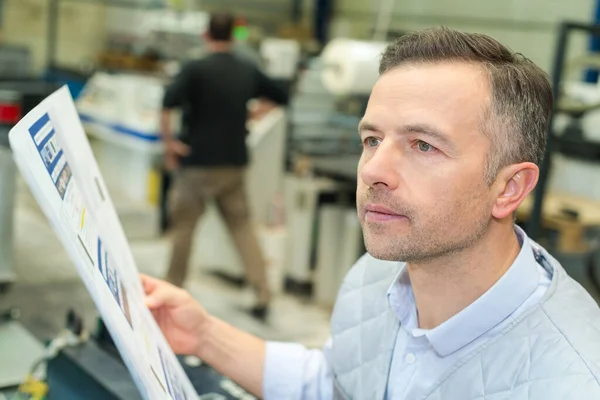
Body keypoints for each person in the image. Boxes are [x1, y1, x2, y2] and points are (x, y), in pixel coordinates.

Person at [144, 27, 600, 399]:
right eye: (372, 140)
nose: (374, 171)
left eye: (423, 145)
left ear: (509, 188)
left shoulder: (570, 380)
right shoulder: (374, 278)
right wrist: (202, 335)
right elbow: (340, 384)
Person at [160, 12, 289, 320]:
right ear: (234, 36)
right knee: (242, 228)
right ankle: (262, 293)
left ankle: (172, 291)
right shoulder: (246, 69)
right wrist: (251, 115)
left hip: (197, 166)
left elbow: (166, 105)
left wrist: (169, 144)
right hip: (232, 165)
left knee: (184, 229)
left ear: (206, 35)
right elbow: (281, 96)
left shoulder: (195, 69)